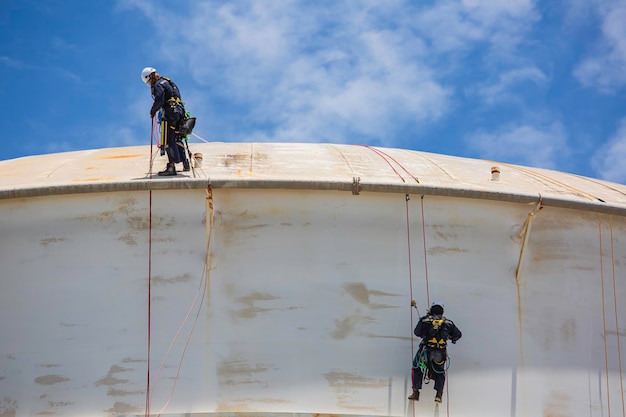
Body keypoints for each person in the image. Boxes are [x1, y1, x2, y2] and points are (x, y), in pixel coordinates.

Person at [409, 301, 462, 403]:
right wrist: (450, 338)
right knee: (440, 372)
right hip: (440, 354)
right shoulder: (448, 323)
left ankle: (416, 392)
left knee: (416, 367)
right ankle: (438, 395)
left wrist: (424, 334)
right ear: (442, 311)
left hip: (426, 352)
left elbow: (417, 332)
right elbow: (458, 334)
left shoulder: (425, 320)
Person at [141, 67, 190, 176]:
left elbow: (159, 99)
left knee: (168, 139)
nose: (150, 85)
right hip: (180, 112)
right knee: (177, 137)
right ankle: (185, 163)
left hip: (170, 113)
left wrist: (152, 111)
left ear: (150, 77)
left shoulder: (158, 84)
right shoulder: (168, 81)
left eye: (149, 82)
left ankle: (171, 167)